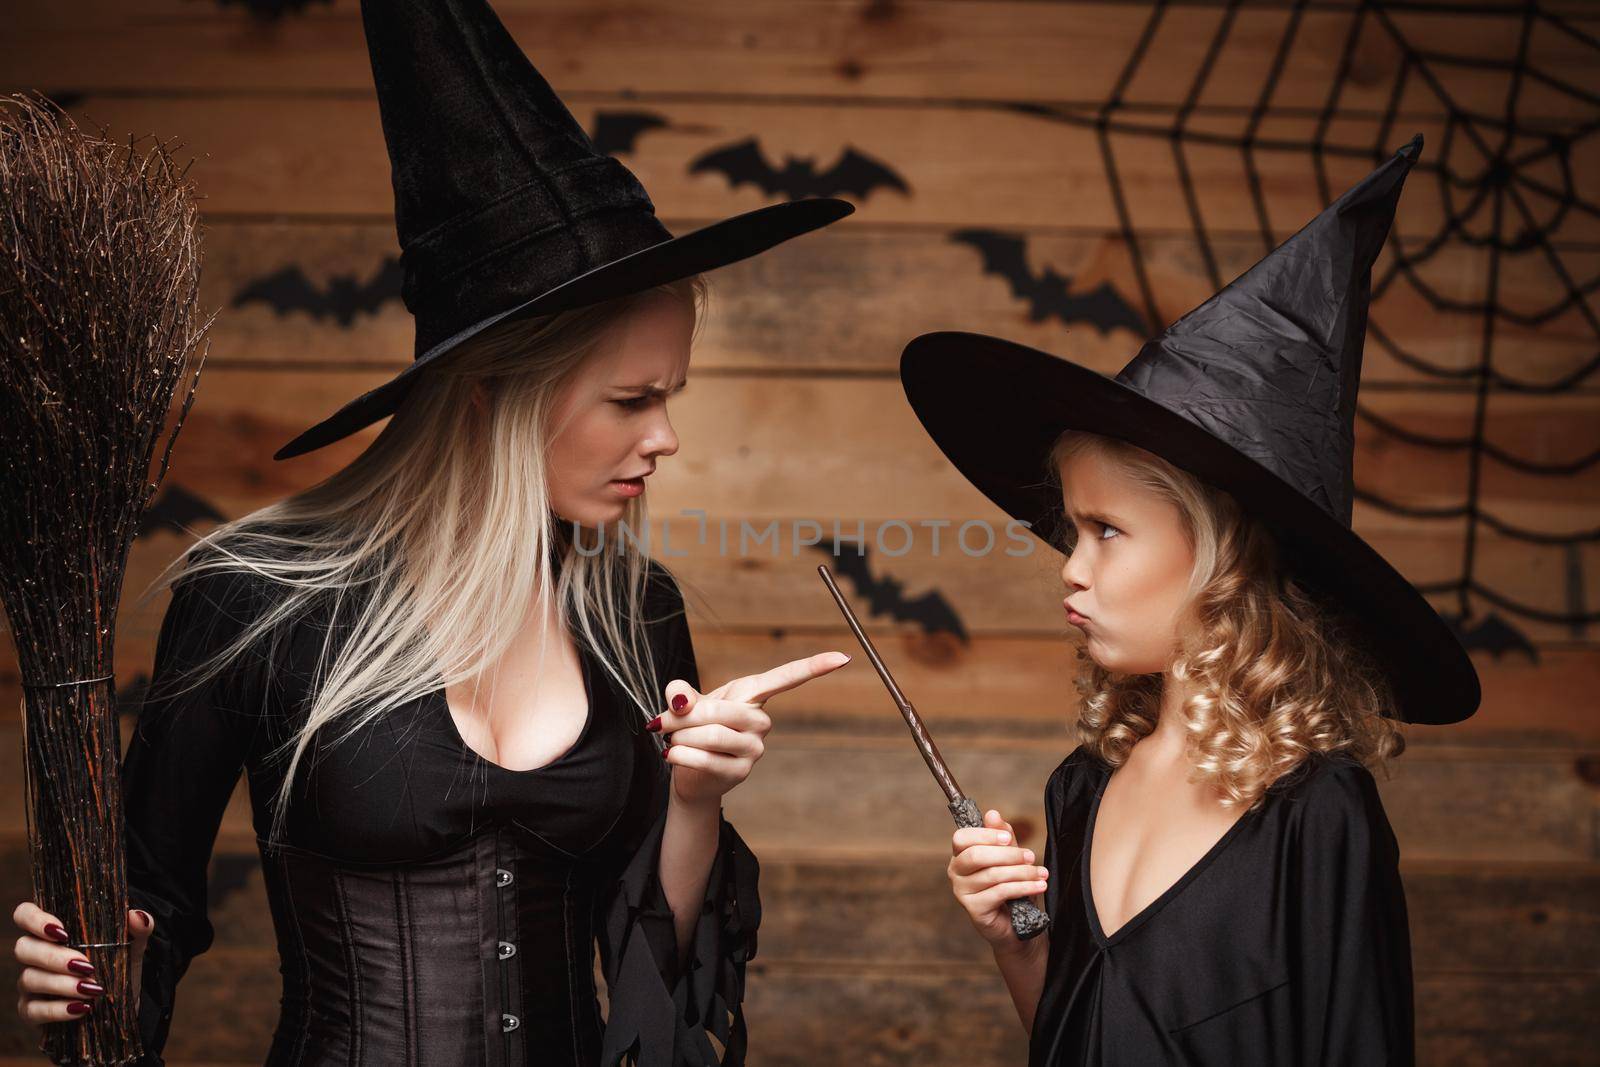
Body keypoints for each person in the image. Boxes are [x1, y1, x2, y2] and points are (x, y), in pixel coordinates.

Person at [10, 0, 852, 1063]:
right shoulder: (256, 594)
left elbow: (655, 992)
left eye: (671, 394)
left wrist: (693, 801)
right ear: (491, 395)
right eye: (632, 398)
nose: (667, 437)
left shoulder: (635, 606)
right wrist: (91, 958)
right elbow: (148, 904)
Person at [898, 135, 1479, 1065]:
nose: (1070, 569)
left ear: (1224, 564)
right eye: (1072, 532)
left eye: (1108, 531)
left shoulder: (1316, 814)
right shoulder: (1083, 787)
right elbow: (1074, 1039)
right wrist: (1018, 943)